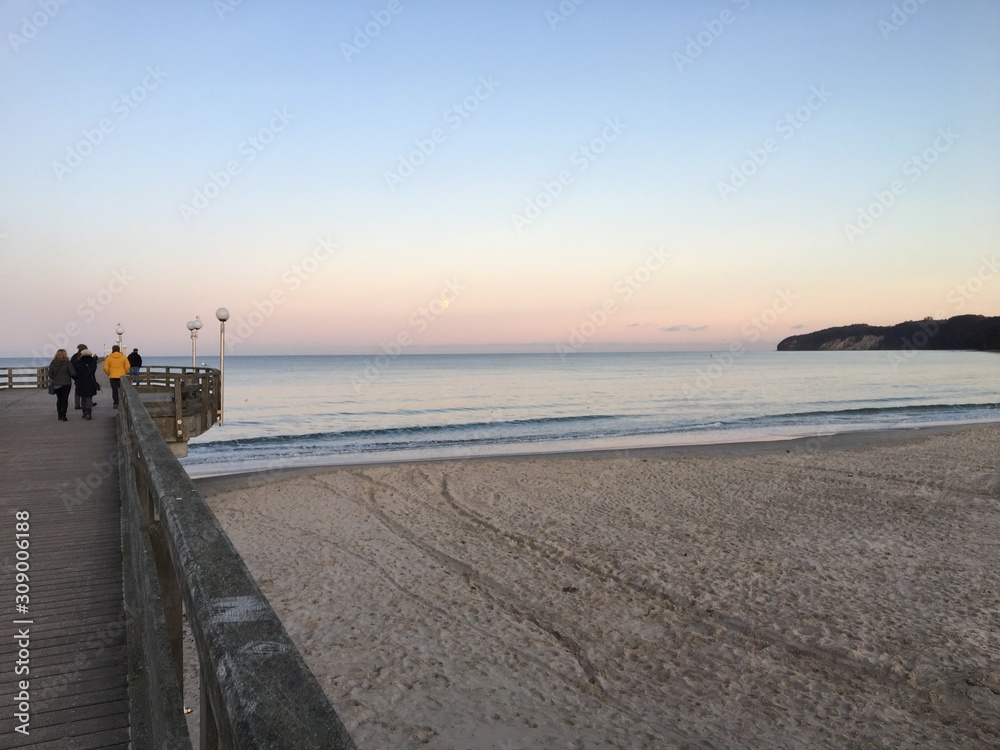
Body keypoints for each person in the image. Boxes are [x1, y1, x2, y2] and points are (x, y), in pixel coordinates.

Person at [48, 348, 75, 421]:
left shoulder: (53, 363)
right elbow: (72, 373)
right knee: (65, 399)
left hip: (57, 384)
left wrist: (55, 378)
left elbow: (50, 374)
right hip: (66, 383)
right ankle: (64, 415)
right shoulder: (68, 363)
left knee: (59, 399)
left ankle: (59, 414)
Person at [74, 349, 100, 420]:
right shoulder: (93, 362)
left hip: (81, 382)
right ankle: (89, 413)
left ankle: (84, 413)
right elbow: (93, 370)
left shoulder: (79, 362)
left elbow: (75, 372)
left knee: (83, 398)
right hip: (90, 381)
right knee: (89, 397)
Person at [103, 344, 130, 409]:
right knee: (122, 390)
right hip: (122, 376)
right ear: (119, 350)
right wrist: (125, 372)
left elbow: (105, 367)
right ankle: (123, 403)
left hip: (113, 376)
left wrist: (109, 373)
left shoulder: (109, 357)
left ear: (112, 350)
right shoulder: (123, 357)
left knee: (114, 390)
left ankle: (115, 402)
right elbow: (127, 366)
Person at [70, 343, 88, 410]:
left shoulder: (74, 356)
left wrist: (74, 375)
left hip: (76, 376)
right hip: (84, 375)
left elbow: (71, 366)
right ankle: (87, 403)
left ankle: (77, 404)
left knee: (77, 389)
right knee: (86, 389)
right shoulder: (85, 356)